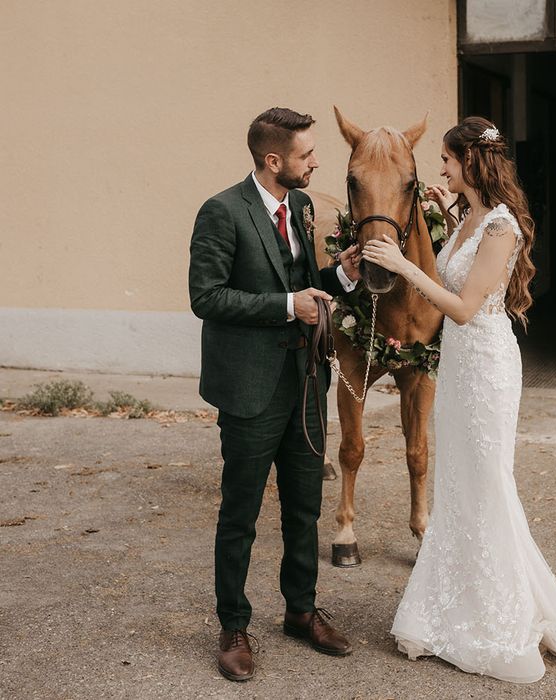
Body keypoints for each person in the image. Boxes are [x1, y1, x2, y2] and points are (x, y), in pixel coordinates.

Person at [362, 117, 556, 683]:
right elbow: (454, 264)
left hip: (487, 369)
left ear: (471, 162)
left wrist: (403, 267)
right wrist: (444, 212)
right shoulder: (471, 217)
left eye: (448, 161)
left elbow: (463, 306)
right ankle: (458, 604)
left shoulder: (501, 225)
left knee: (487, 483)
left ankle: (503, 613)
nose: (441, 169)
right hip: (459, 367)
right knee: (460, 483)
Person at [189, 107, 361, 682]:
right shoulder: (221, 211)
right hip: (249, 387)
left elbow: (304, 283)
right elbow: (207, 297)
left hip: (307, 383)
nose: (315, 162)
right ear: (273, 160)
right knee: (240, 512)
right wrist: (288, 307)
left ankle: (301, 611)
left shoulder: (303, 206)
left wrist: (345, 275)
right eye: (307, 154)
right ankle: (234, 625)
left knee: (305, 507)